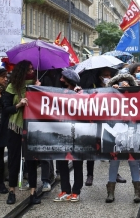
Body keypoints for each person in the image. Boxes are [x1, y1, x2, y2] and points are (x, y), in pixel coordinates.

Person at [2, 60, 41, 205]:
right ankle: (12, 191)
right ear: (22, 71)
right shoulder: (12, 87)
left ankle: (33, 192)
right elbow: (5, 110)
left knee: (32, 159)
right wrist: (19, 104)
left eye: (32, 69)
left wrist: (38, 91)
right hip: (15, 128)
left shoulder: (36, 85)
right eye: (29, 69)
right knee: (13, 159)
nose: (31, 71)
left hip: (32, 126)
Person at [104, 72, 140, 203]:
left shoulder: (135, 95)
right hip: (117, 129)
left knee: (133, 161)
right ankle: (110, 192)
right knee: (114, 161)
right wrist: (112, 90)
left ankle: (137, 191)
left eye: (126, 82)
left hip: (130, 130)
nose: (123, 84)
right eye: (120, 82)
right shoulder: (111, 94)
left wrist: (131, 90)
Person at [53, 68, 84, 202]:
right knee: (62, 161)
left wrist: (81, 95)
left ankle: (76, 191)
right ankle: (65, 190)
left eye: (63, 78)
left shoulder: (80, 93)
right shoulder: (57, 92)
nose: (60, 80)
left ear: (68, 81)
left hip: (77, 133)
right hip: (62, 132)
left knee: (77, 162)